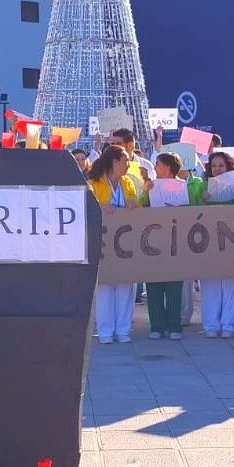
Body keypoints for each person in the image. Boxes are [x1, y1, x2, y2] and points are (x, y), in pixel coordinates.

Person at [88, 146, 141, 343]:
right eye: (125, 160)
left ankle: (123, 330)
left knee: (126, 286)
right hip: (102, 244)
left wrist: (134, 203)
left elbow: (138, 208)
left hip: (126, 243)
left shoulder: (128, 183)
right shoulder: (94, 183)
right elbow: (86, 206)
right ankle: (105, 331)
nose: (128, 164)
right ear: (114, 161)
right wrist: (101, 207)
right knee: (105, 288)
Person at [145, 152, 190, 340]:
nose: (155, 168)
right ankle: (156, 326)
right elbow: (140, 208)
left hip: (175, 242)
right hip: (152, 241)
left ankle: (174, 326)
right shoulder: (151, 186)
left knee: (174, 285)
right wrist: (145, 192)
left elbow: (188, 214)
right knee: (154, 283)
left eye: (158, 164)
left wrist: (176, 212)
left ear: (168, 167)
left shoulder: (179, 186)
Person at [199, 149, 234, 337]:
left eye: (221, 165)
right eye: (214, 165)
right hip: (208, 243)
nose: (217, 169)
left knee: (231, 286)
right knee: (210, 285)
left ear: (229, 167)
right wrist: (203, 200)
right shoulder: (202, 186)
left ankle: (228, 325)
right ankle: (210, 326)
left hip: (232, 241)